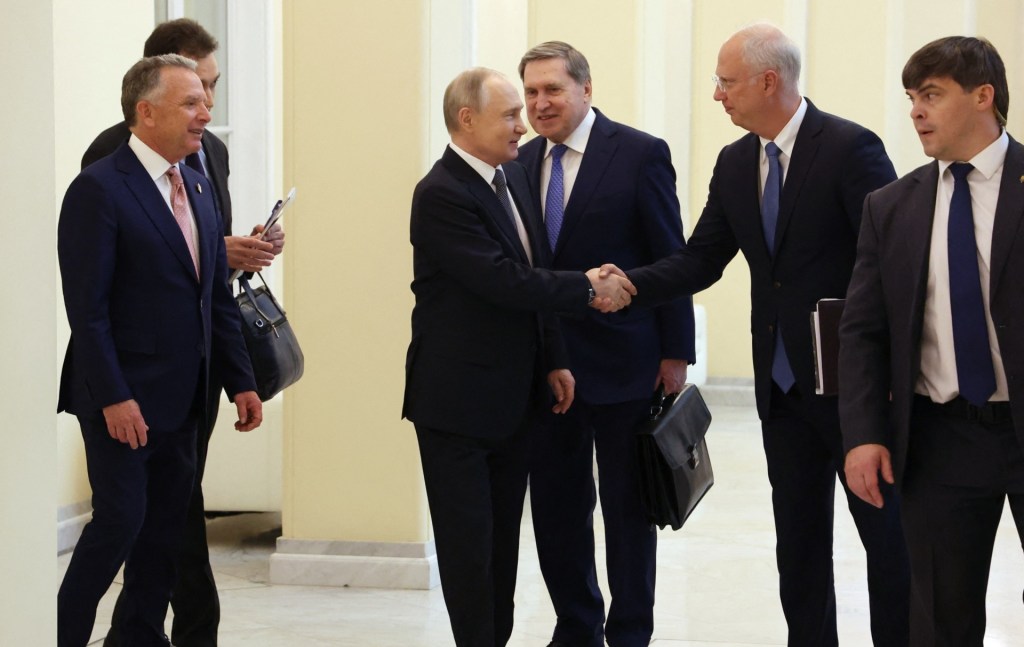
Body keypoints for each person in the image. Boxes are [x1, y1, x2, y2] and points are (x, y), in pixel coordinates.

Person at [603, 24, 910, 646]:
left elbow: (894, 266)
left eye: (726, 81)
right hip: (783, 391)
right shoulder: (737, 160)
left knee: (888, 545)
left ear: (769, 81)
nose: (718, 95)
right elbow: (701, 260)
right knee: (797, 550)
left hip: (856, 392)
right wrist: (626, 283)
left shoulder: (851, 148)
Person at [402, 67, 636, 647]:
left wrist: (554, 356)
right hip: (457, 407)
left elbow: (530, 273)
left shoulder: (508, 180)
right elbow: (503, 281)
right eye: (510, 114)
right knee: (469, 554)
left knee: (502, 551)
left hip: (514, 400)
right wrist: (586, 287)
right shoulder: (441, 194)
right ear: (466, 120)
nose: (524, 123)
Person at [81, 19, 283, 647]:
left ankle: (141, 634)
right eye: (195, 97)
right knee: (130, 519)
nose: (208, 110)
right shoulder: (102, 173)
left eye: (211, 93)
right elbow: (97, 301)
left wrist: (240, 378)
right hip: (131, 382)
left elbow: (205, 274)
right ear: (151, 103)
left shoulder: (202, 165)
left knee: (173, 517)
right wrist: (114, 395)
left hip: (192, 375)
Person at [840, 35, 1024, 645]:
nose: (916, 110)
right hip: (943, 438)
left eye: (931, 95)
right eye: (912, 98)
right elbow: (863, 333)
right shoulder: (890, 206)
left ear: (983, 96)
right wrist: (864, 435)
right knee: (943, 617)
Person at [515, 41, 695, 647]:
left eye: (553, 90)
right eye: (531, 92)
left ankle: (630, 633)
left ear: (586, 90)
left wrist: (675, 354)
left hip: (628, 364)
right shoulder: (518, 163)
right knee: (559, 512)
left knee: (628, 514)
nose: (540, 104)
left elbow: (672, 257)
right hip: (549, 372)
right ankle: (577, 627)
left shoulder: (639, 153)